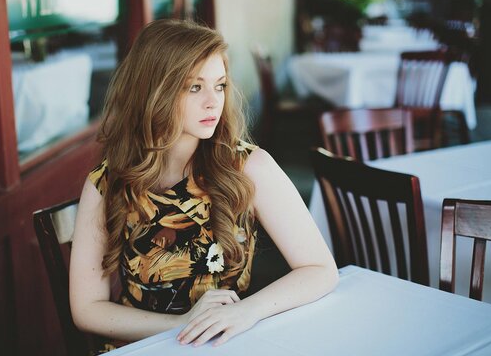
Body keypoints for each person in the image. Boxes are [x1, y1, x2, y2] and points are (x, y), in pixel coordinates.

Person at [69, 19, 338, 351]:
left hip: (222, 343)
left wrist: (247, 311)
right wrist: (180, 325)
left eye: (220, 85)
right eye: (194, 87)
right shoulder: (107, 182)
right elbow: (86, 309)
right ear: (154, 91)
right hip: (147, 346)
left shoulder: (249, 167)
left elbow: (321, 269)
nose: (213, 101)